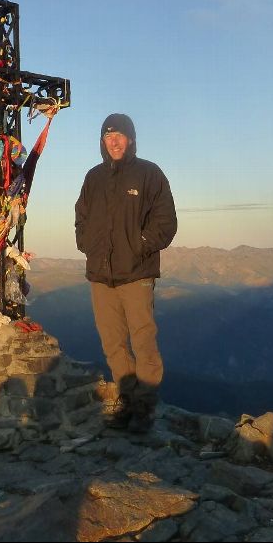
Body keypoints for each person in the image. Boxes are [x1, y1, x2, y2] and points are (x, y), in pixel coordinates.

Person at [75, 113, 177, 433]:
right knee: (113, 344)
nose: (114, 141)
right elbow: (82, 217)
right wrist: (87, 244)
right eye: (108, 136)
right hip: (101, 276)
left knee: (143, 342)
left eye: (119, 135)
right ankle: (129, 402)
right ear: (102, 141)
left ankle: (144, 409)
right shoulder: (94, 178)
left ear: (130, 139)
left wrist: (139, 246)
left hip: (136, 273)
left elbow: (166, 221)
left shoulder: (149, 173)